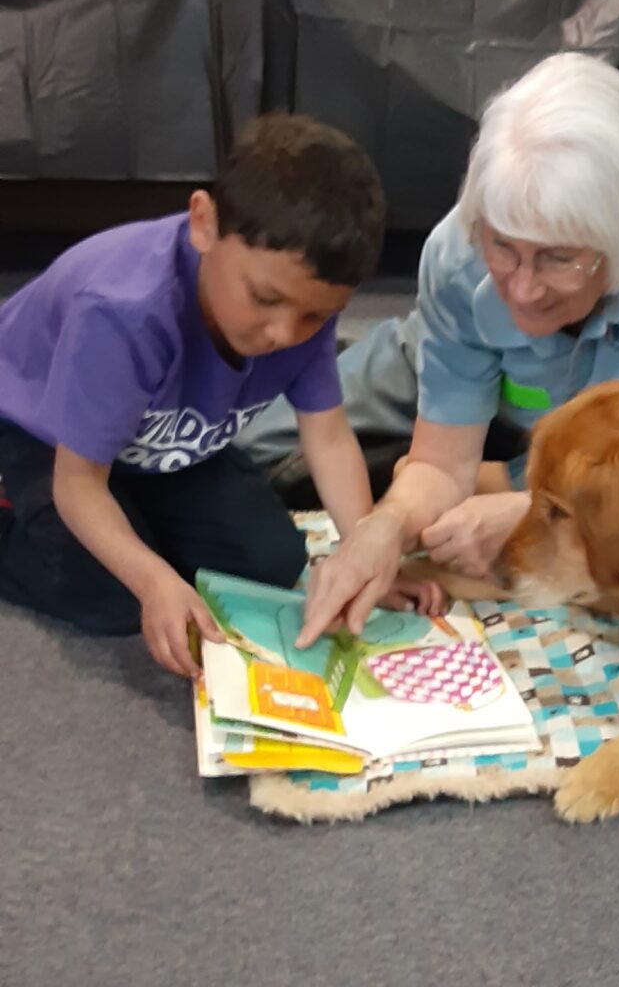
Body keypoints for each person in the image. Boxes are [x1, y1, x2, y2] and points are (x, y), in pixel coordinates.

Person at [273, 52, 619, 647]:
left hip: (592, 455)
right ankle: (467, 446)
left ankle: (502, 474)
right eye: (503, 249)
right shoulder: (455, 255)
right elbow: (441, 462)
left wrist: (531, 512)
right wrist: (385, 527)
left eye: (558, 257)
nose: (522, 289)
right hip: (460, 369)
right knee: (258, 448)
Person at [0, 113, 435, 679]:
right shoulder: (121, 311)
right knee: (112, 596)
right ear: (203, 222)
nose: (284, 333)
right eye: (264, 298)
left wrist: (365, 551)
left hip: (163, 443)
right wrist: (154, 580)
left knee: (272, 560)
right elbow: (78, 483)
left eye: (314, 316)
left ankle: (138, 524)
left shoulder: (303, 310)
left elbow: (326, 436)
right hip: (44, 435)